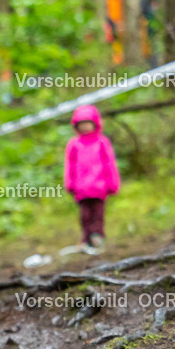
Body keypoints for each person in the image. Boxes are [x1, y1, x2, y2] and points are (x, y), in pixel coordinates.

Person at [64, 105, 119, 250]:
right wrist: (69, 183)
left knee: (98, 215)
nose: (85, 127)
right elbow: (69, 165)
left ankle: (97, 237)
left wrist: (113, 183)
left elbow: (109, 164)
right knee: (85, 216)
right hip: (81, 189)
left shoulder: (102, 142)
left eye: (88, 123)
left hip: (99, 188)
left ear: (95, 124)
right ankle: (86, 239)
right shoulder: (74, 145)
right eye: (81, 124)